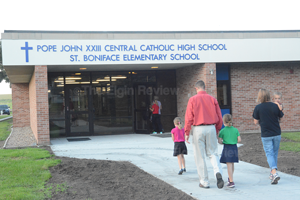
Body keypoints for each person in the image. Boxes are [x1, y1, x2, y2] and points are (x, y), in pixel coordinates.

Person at [185, 80, 224, 189]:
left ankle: (204, 181)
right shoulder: (212, 99)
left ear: (196, 88)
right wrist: (217, 129)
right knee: (213, 153)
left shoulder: (192, 99)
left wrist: (187, 132)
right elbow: (219, 116)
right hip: (211, 127)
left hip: (198, 129)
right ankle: (217, 171)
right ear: (205, 87)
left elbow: (189, 118)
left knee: (200, 156)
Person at [253, 89, 284, 184]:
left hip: (266, 134)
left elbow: (255, 122)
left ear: (260, 96)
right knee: (274, 153)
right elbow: (281, 119)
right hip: (277, 133)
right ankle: (272, 173)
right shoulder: (275, 106)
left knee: (269, 153)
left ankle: (274, 173)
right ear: (269, 96)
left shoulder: (258, 108)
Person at [218, 114, 241, 188]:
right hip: (234, 147)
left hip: (227, 148)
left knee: (229, 165)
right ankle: (230, 178)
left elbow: (219, 141)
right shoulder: (235, 130)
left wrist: (223, 141)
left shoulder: (222, 131)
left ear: (224, 121)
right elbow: (239, 140)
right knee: (232, 164)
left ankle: (231, 182)